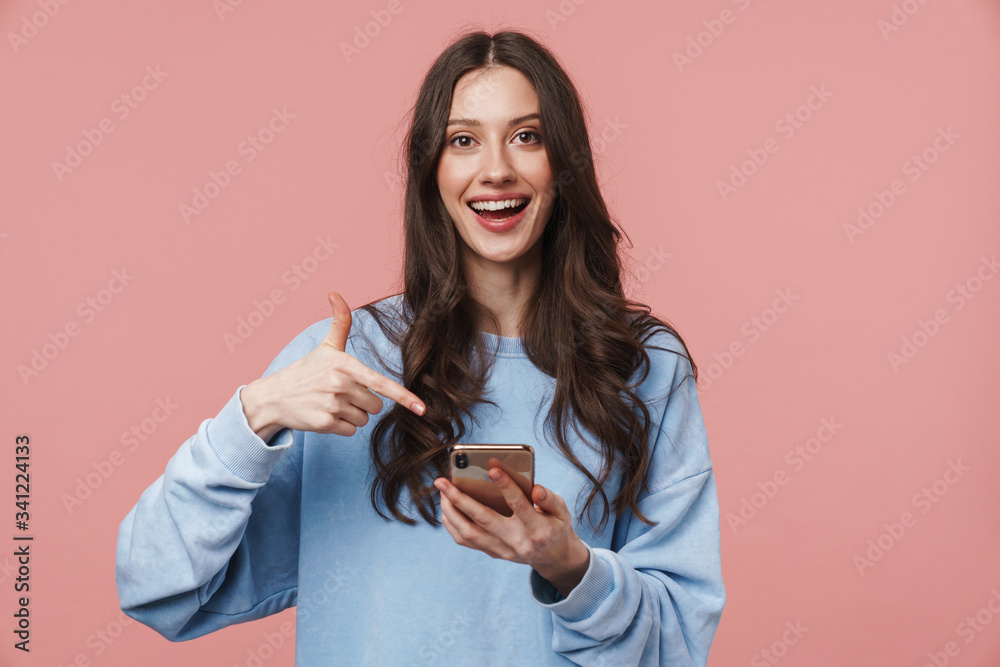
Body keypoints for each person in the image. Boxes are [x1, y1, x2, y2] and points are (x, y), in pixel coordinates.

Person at [115, 28, 725, 666]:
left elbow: (674, 645)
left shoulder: (642, 367)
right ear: (431, 168)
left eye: (527, 136)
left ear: (563, 163)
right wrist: (255, 414)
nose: (496, 169)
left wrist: (566, 564)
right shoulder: (348, 366)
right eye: (464, 140)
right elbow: (156, 589)